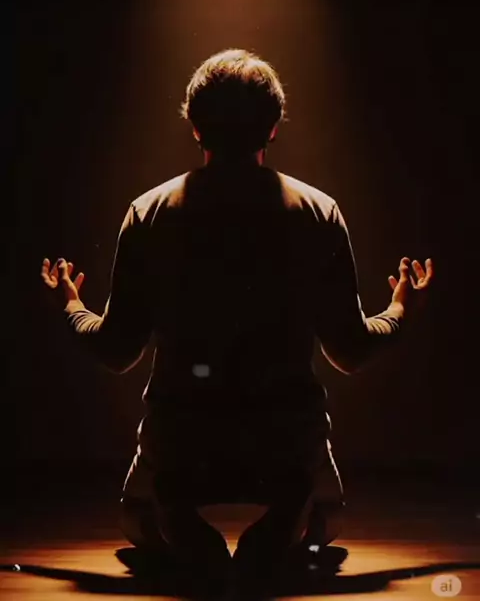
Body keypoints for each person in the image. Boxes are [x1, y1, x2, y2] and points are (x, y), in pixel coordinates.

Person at [41, 48, 433, 580]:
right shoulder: (318, 212)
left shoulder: (149, 212)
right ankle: (290, 508)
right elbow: (349, 350)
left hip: (182, 439)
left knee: (136, 523)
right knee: (329, 520)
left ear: (195, 126)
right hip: (284, 440)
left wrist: (70, 303)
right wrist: (401, 308)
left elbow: (116, 350)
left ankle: (176, 509)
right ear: (272, 127)